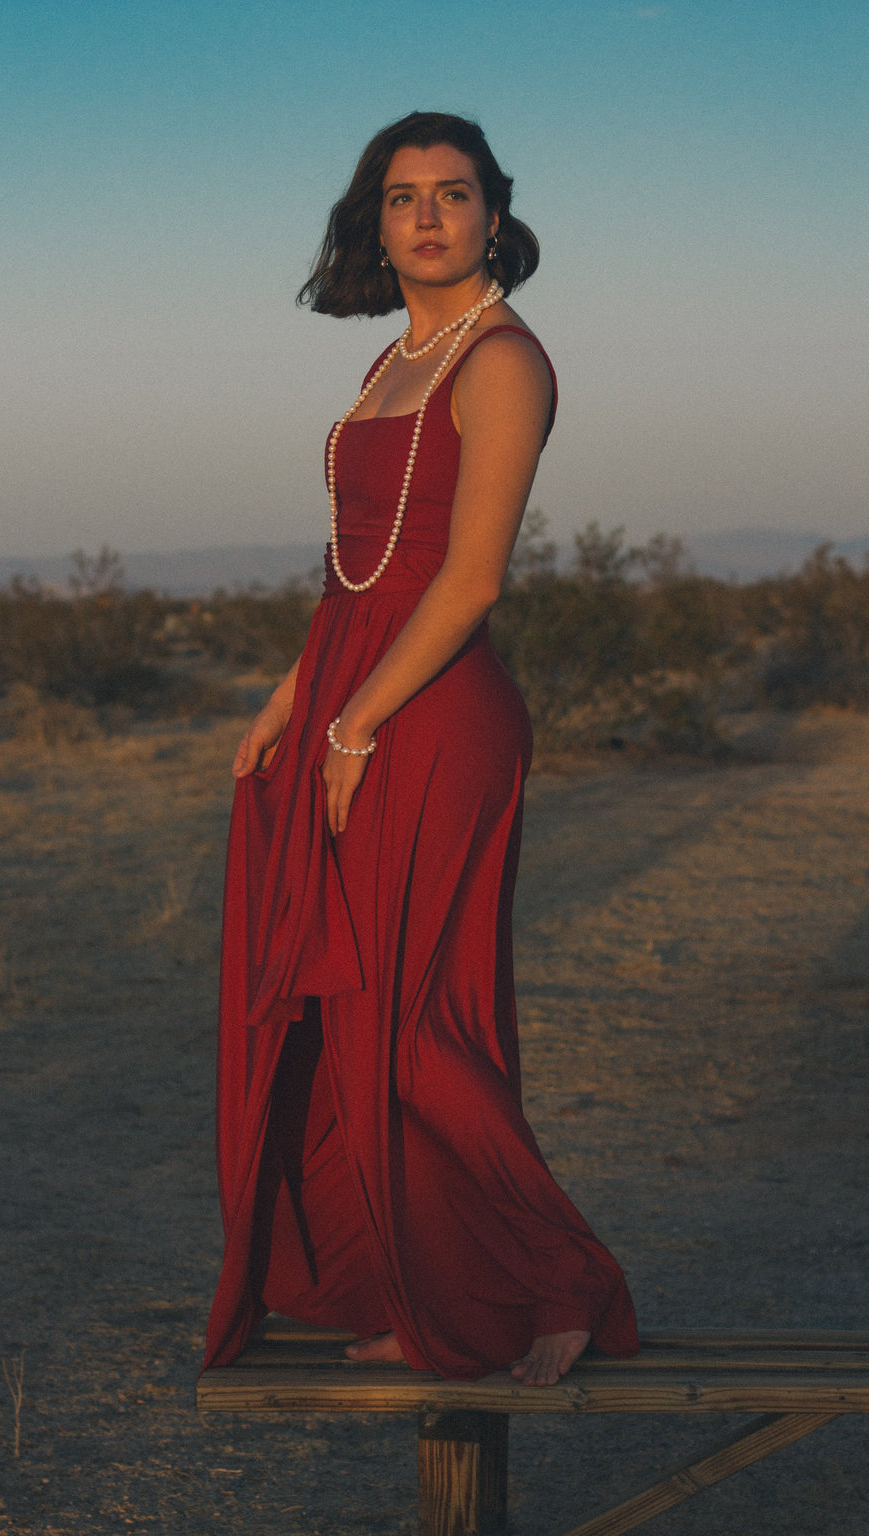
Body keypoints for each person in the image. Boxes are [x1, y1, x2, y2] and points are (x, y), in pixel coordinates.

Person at [202, 112, 638, 1385]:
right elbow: (359, 572)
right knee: (345, 1013)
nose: (430, 217)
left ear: (494, 215)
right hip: (352, 684)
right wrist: (297, 695)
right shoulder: (393, 361)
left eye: (455, 195)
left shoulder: (500, 360)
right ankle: (432, 1293)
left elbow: (468, 582)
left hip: (430, 709)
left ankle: (561, 1284)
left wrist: (359, 718)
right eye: (404, 198)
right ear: (373, 223)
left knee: (415, 1021)